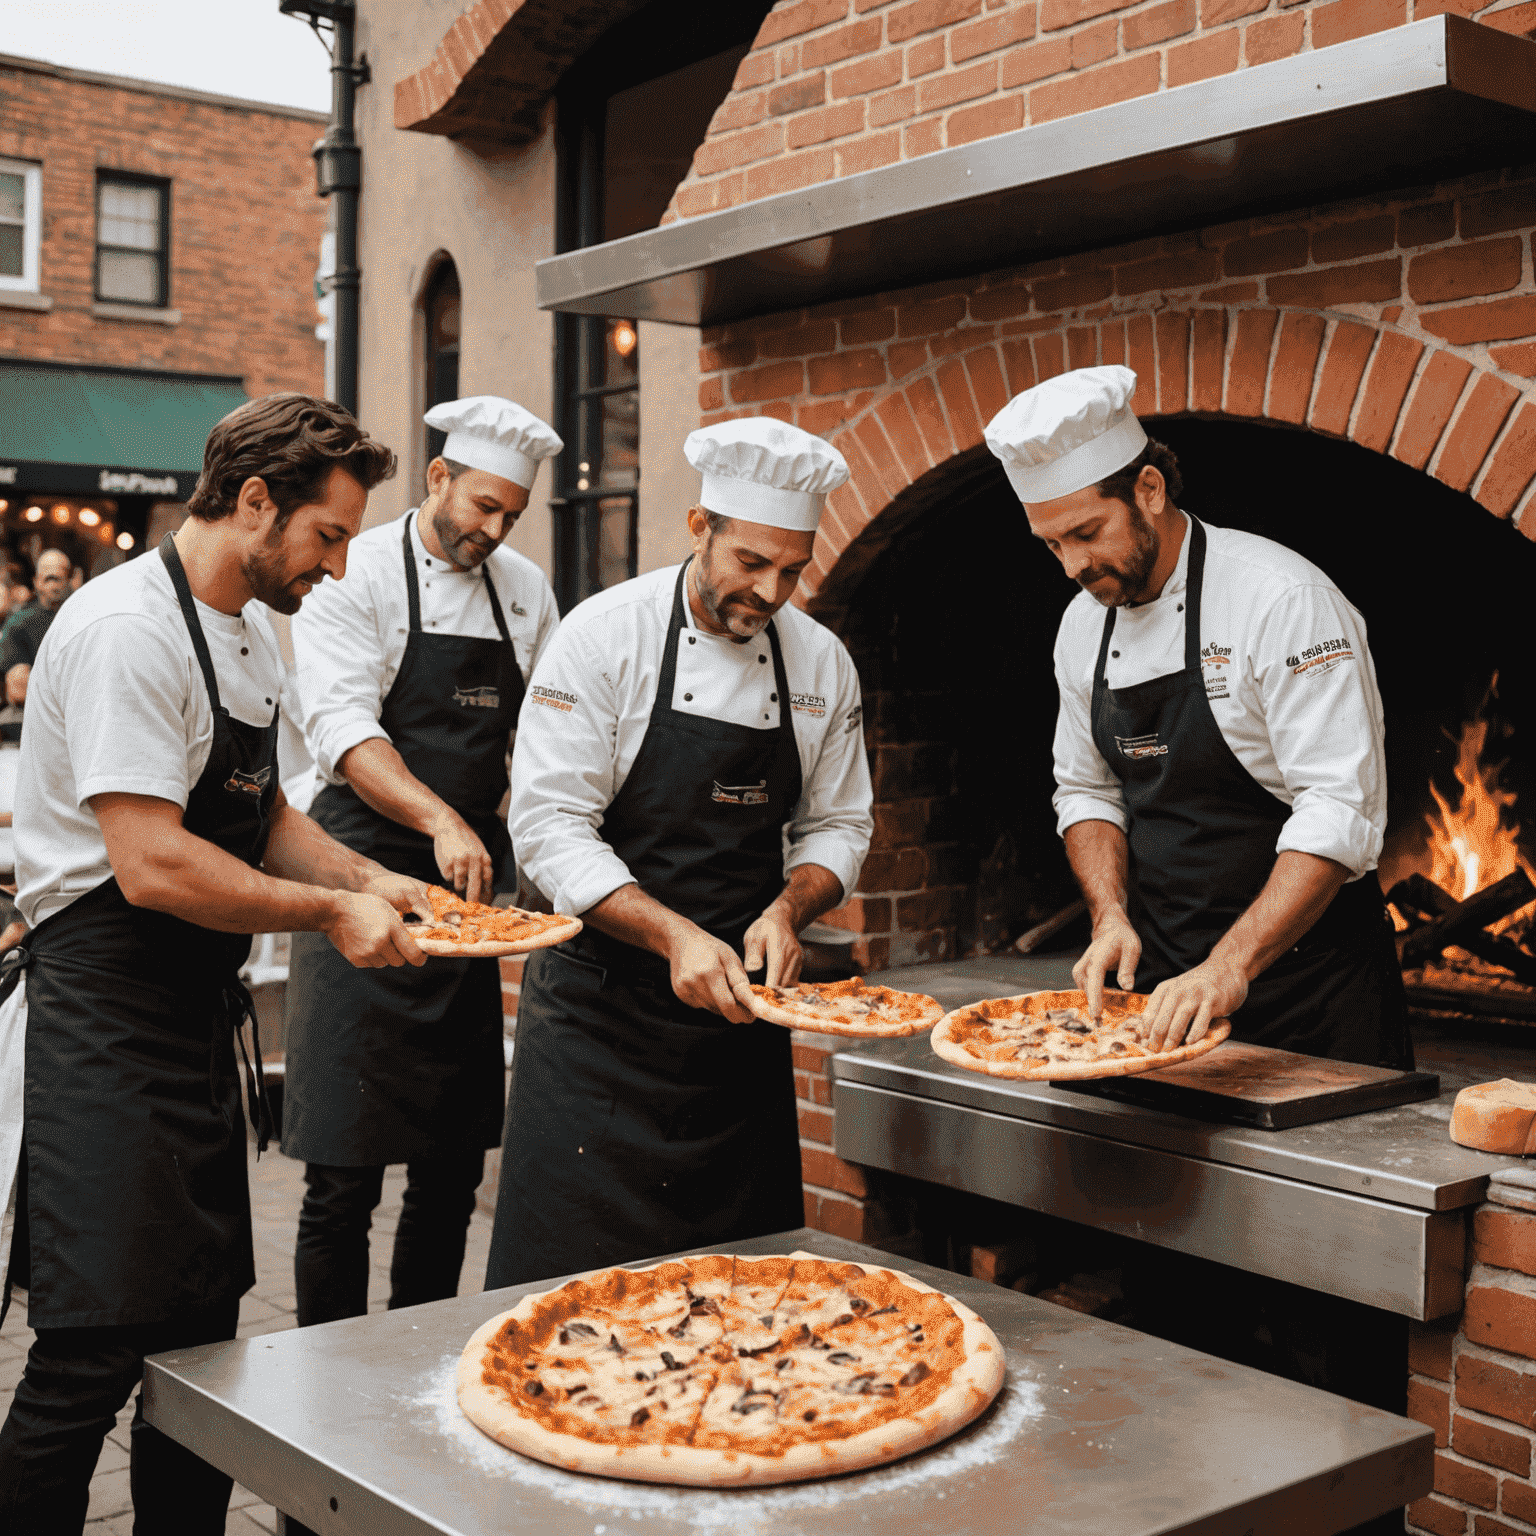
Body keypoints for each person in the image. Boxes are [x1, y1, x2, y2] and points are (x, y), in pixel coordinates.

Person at [0, 394, 436, 1536]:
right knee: (89, 1360)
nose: (337, 569)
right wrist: (330, 920)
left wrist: (362, 877)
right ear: (254, 502)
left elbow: (262, 810)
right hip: (102, 1027)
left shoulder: (244, 628)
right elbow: (152, 864)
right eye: (327, 536)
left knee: (199, 1361)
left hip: (191, 1028)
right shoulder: (122, 631)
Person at [484, 417, 874, 1289]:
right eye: (751, 563)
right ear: (700, 529)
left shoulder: (821, 666)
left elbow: (840, 825)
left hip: (736, 1043)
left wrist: (787, 908)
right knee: (566, 1317)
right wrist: (674, 938)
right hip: (597, 1031)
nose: (771, 590)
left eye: (792, 569)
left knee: (745, 1313)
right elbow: (547, 829)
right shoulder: (601, 636)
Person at [983, 363, 1408, 1068]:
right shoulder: (1082, 626)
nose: (1071, 567)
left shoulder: (1284, 601)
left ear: (1148, 490)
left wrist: (1230, 964)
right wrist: (1110, 915)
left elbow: (1339, 809)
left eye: (1087, 533)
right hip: (1167, 996)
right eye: (1053, 545)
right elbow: (1087, 791)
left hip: (1312, 993)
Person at [282, 396, 561, 1327]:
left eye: (511, 515)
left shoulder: (522, 589)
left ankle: (417, 1347)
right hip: (354, 872)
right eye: (481, 505)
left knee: (448, 1170)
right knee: (341, 1180)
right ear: (437, 479)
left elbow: (550, 740)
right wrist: (443, 818)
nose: (493, 529)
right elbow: (342, 729)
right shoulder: (352, 569)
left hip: (465, 896)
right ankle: (325, 1370)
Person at [1, 548, 72, 713]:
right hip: (34, 714)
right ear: (36, 582)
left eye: (59, 579)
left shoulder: (82, 619)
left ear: (69, 581)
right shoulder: (19, 623)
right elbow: (18, 690)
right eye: (48, 579)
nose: (54, 586)